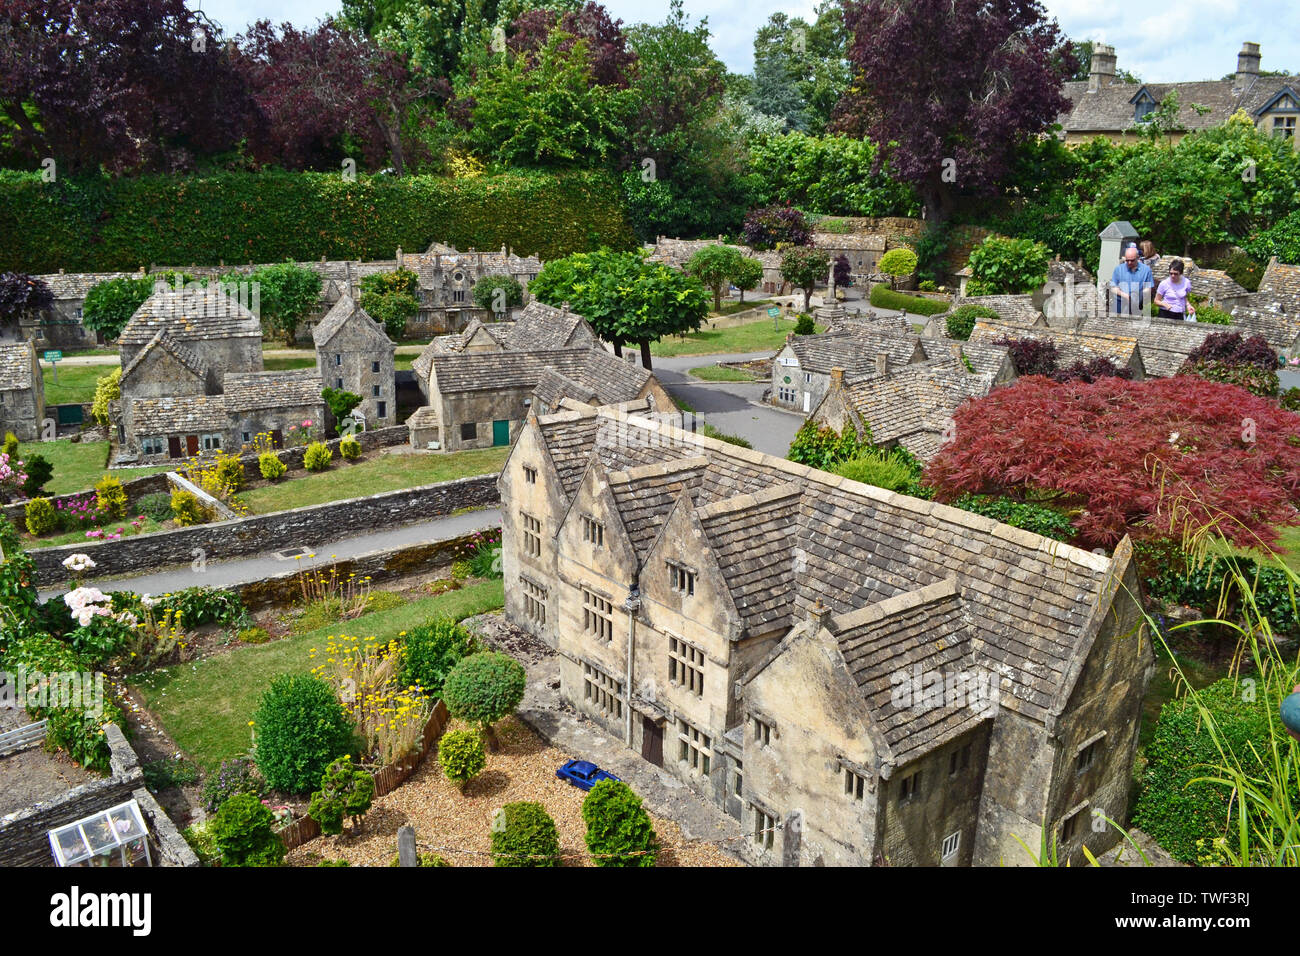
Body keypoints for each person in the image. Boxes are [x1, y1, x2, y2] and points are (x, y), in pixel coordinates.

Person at [1110, 245, 1155, 317]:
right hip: (1119, 303)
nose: (1129, 263)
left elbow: (1148, 288)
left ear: (1138, 257)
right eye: (1127, 260)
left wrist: (1140, 295)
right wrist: (1125, 295)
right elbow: (1113, 288)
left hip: (1137, 304)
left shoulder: (1146, 270)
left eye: (1132, 260)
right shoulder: (1118, 269)